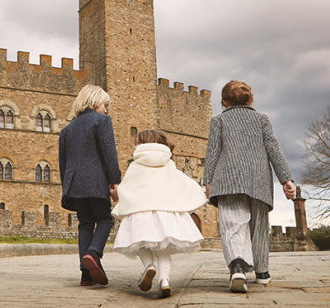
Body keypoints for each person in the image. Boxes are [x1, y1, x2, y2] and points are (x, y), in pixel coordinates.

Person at [203, 80, 295, 293]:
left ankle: (237, 266)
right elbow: (274, 149)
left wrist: (207, 180)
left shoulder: (218, 120)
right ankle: (262, 272)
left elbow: (213, 152)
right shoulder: (262, 119)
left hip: (228, 179)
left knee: (233, 224)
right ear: (250, 100)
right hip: (259, 179)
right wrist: (286, 180)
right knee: (260, 226)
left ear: (224, 101)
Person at [112, 130, 207, 297]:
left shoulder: (136, 164)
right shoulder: (167, 162)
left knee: (139, 242)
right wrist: (199, 192)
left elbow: (128, 187)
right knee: (164, 250)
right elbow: (180, 181)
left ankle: (149, 266)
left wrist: (116, 195)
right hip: (166, 212)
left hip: (140, 211)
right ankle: (165, 281)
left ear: (142, 144)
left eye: (137, 142)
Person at [59, 84, 121, 286]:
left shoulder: (67, 130)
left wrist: (66, 187)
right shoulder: (102, 121)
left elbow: (63, 163)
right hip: (95, 181)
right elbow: (109, 153)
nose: (106, 109)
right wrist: (114, 181)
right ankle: (94, 254)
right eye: (105, 105)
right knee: (105, 219)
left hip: (74, 184)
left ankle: (86, 276)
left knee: (85, 224)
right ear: (95, 102)